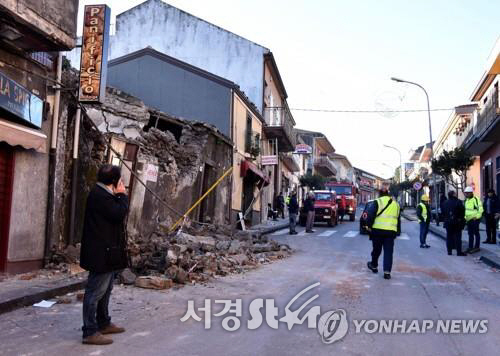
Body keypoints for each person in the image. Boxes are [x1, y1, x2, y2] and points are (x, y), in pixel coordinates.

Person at [80, 165, 129, 345]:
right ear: (115, 181)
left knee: (105, 290)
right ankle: (89, 331)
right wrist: (122, 195)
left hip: (108, 253)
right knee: (95, 292)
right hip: (100, 254)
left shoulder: (104, 195)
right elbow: (119, 214)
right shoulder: (100, 196)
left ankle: (103, 322)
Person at [366, 184, 401, 280]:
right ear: (388, 193)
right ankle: (387, 272)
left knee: (376, 250)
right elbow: (398, 219)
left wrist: (368, 226)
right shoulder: (396, 204)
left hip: (377, 231)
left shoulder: (377, 202)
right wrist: (397, 231)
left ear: (379, 193)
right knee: (388, 252)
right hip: (390, 232)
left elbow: (370, 215)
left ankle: (374, 265)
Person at [442, 191, 466, 256]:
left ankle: (449, 252)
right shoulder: (458, 202)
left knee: (449, 237)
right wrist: (460, 219)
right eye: (455, 193)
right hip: (457, 222)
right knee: (458, 237)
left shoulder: (445, 202)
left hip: (447, 222)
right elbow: (462, 212)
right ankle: (459, 252)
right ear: (453, 195)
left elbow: (443, 212)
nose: (456, 194)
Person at [464, 186, 483, 253]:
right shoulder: (466, 200)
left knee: (476, 233)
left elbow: (480, 210)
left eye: (467, 193)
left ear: (471, 193)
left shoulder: (476, 199)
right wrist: (465, 218)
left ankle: (477, 247)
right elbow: (466, 210)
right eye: (465, 193)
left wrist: (477, 217)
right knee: (470, 234)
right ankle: (470, 247)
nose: (466, 194)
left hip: (475, 219)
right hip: (469, 220)